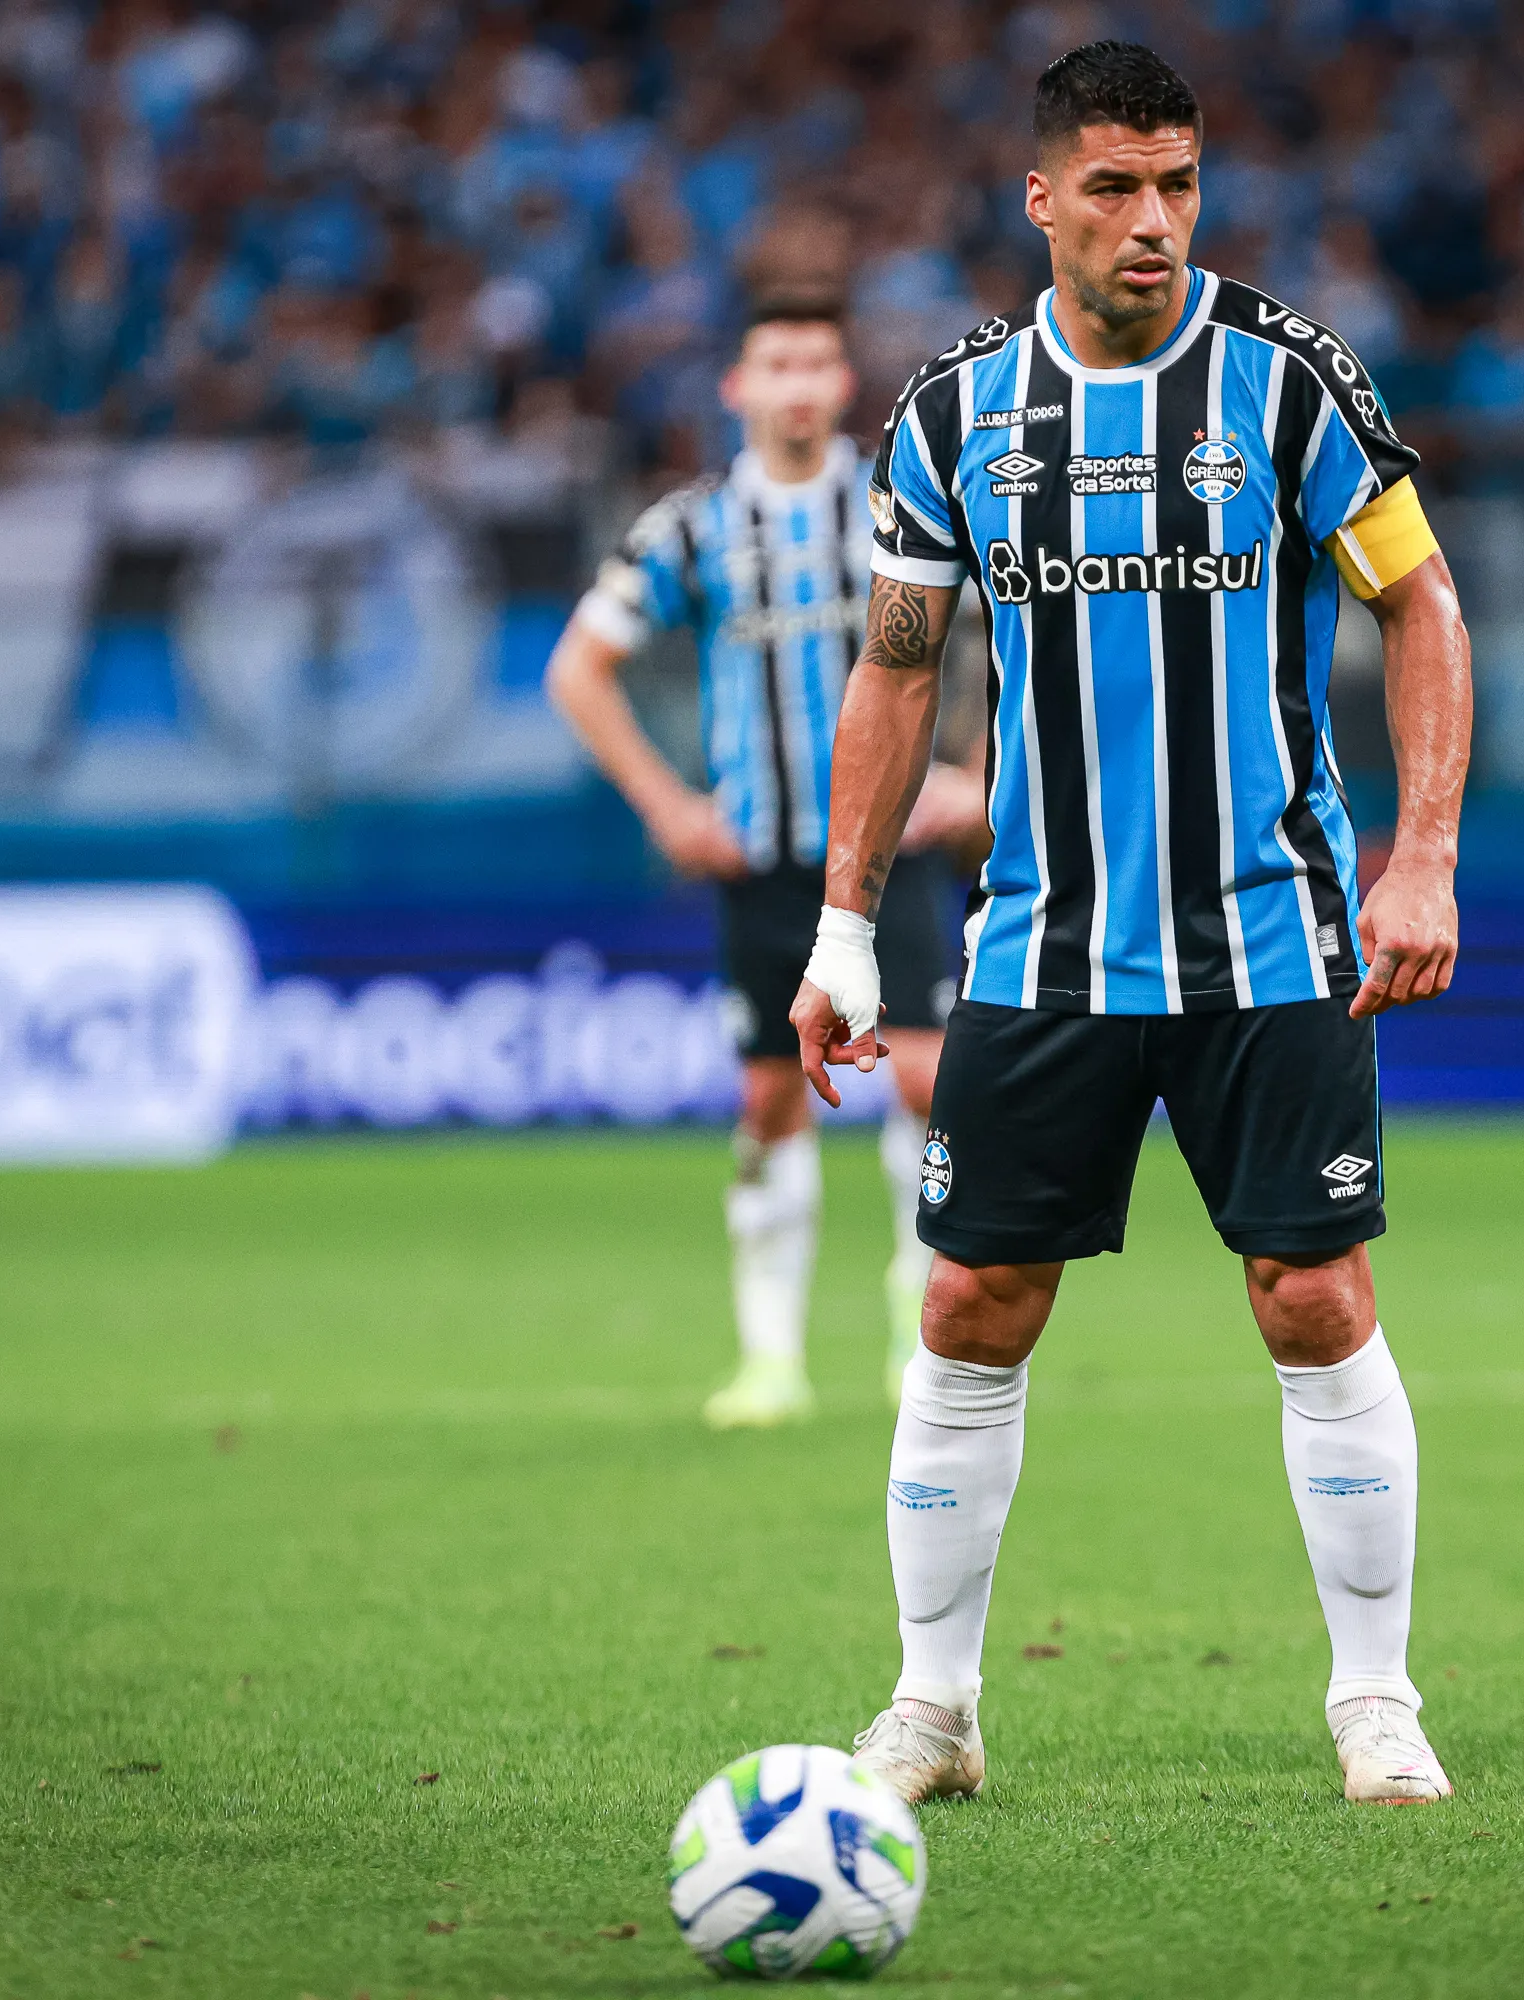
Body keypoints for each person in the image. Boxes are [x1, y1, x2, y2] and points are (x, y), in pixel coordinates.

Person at [790, 42, 1474, 1806]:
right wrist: (844, 929)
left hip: (1273, 935)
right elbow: (896, 665)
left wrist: (1425, 856)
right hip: (1044, 944)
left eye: (1177, 183)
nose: (1153, 220)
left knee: (1314, 1297)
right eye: (1114, 185)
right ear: (1042, 198)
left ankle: (1377, 1702)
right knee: (972, 1304)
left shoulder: (1290, 378)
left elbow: (1421, 603)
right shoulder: (955, 409)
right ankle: (933, 1712)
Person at [547, 296, 985, 1430]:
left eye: (817, 362)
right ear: (737, 388)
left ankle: (916, 1327)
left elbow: (1031, 636)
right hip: (764, 861)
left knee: (930, 1081)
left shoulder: (900, 505)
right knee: (768, 1094)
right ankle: (771, 1356)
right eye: (776, 363)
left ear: (845, 384)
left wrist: (979, 779)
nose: (798, 384)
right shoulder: (694, 527)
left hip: (892, 854)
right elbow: (579, 668)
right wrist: (669, 809)